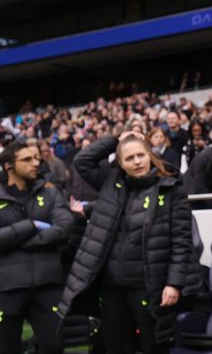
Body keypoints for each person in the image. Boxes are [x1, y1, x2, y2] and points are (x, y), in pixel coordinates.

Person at [56, 131, 201, 353]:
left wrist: (174, 283)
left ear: (150, 155)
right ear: (121, 163)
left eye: (140, 155)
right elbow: (82, 161)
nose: (136, 162)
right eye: (129, 158)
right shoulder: (110, 183)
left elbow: (181, 241)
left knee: (154, 346)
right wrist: (115, 138)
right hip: (112, 287)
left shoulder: (171, 187)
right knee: (116, 347)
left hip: (150, 286)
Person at [0, 141, 73, 354]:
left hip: (47, 285)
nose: (35, 163)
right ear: (8, 166)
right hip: (6, 288)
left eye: (36, 159)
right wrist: (30, 226)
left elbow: (64, 227)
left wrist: (16, 242)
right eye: (27, 160)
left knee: (54, 346)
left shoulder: (50, 193)